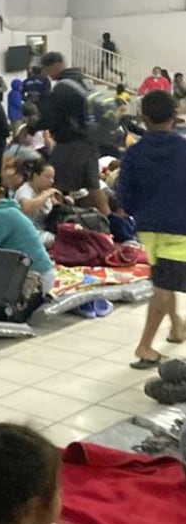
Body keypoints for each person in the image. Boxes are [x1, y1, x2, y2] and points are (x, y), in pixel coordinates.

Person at [117, 90, 186, 369]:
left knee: (163, 279)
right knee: (163, 285)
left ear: (143, 119)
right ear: (175, 116)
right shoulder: (184, 149)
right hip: (180, 227)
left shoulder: (134, 153)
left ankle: (177, 327)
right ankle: (144, 346)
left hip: (148, 228)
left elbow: (124, 197)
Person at [29, 52, 110, 216]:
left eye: (46, 69)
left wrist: (31, 127)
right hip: (91, 141)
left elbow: (52, 118)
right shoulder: (86, 82)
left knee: (54, 181)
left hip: (71, 143)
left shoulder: (62, 88)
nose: (47, 75)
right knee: (93, 184)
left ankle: (57, 219)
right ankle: (109, 220)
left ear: (55, 65)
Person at [13, 160, 62, 246]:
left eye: (52, 178)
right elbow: (26, 208)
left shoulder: (47, 192)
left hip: (44, 230)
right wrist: (46, 195)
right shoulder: (24, 190)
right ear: (35, 176)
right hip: (26, 233)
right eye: (47, 177)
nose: (51, 181)